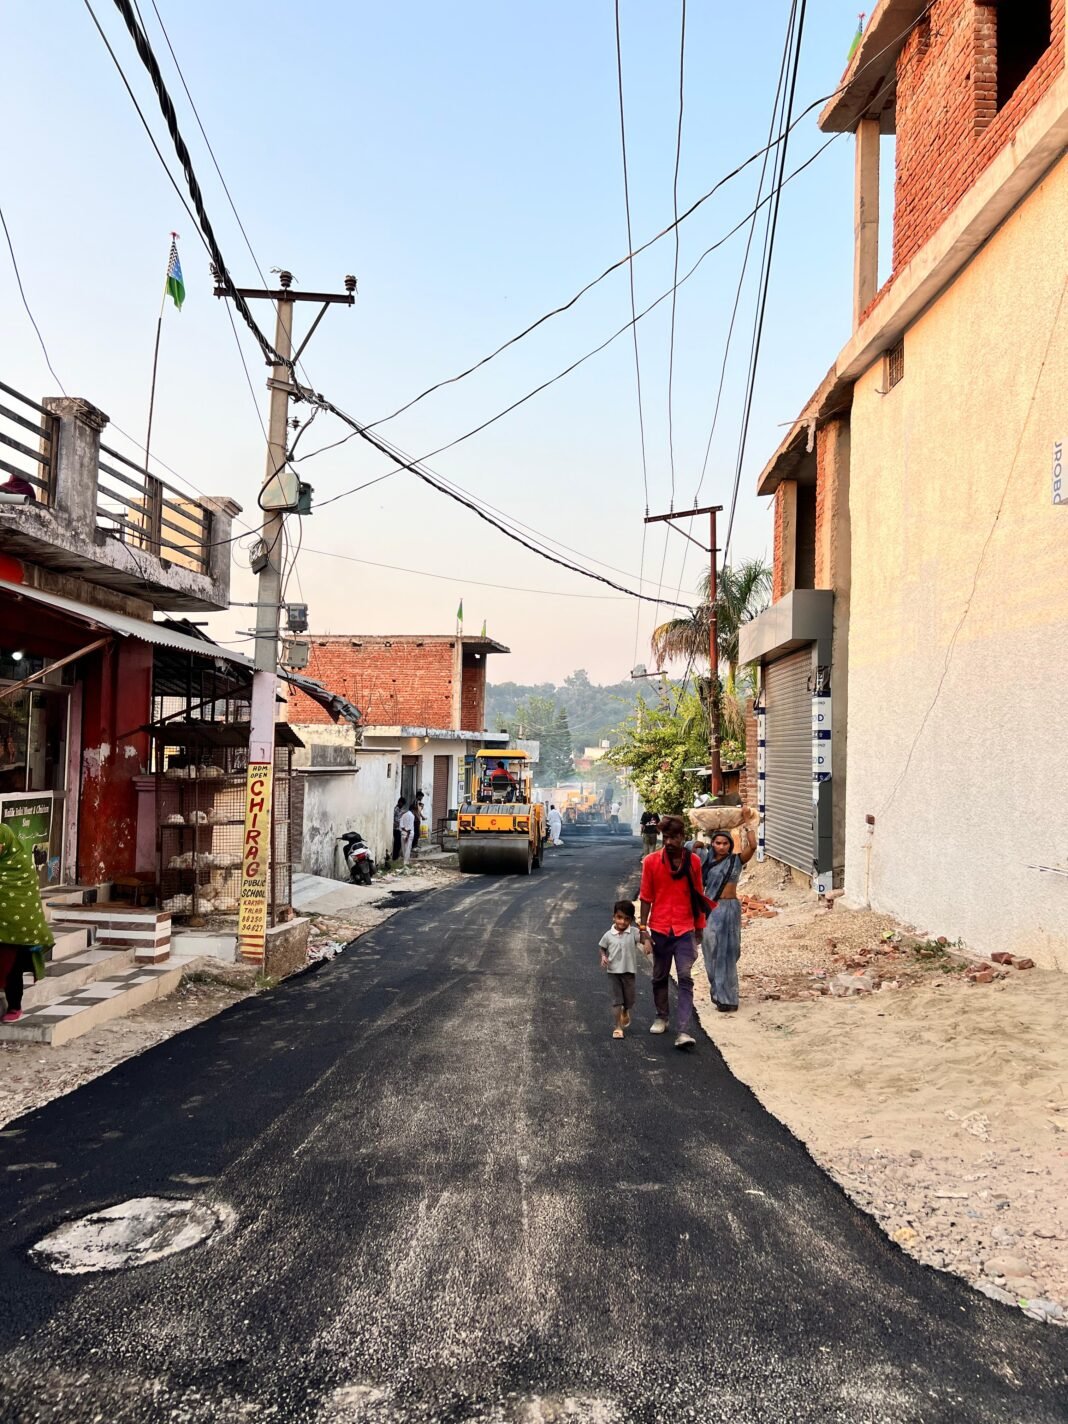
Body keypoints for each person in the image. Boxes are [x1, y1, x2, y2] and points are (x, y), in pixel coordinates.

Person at [638, 814, 714, 1050]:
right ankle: (662, 1016)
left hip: (685, 929)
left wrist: (699, 927)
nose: (669, 842)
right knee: (659, 976)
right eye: (666, 837)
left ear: (683, 837)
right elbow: (646, 897)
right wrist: (643, 929)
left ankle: (684, 1030)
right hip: (660, 929)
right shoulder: (651, 862)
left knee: (685, 977)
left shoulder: (694, 863)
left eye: (674, 837)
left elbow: (698, 895)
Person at [700, 813, 757, 1013]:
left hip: (731, 909)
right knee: (713, 950)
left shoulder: (736, 861)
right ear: (712, 844)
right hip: (713, 909)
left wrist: (748, 823)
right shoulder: (706, 863)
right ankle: (717, 992)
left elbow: (753, 846)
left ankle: (729, 997)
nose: (722, 846)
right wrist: (695, 845)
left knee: (731, 951)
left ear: (730, 845)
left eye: (725, 843)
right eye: (718, 843)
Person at [0, 823, 54, 1023]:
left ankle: (14, 1006)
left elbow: (27, 900)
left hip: (15, 932)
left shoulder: (22, 864)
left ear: (8, 843)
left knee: (11, 968)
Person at [598, 899, 650, 1039]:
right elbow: (602, 947)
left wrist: (647, 942)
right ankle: (617, 1027)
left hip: (629, 972)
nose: (622, 922)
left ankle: (626, 1010)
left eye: (627, 919)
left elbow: (643, 937)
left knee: (629, 1000)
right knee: (617, 1001)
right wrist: (603, 956)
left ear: (631, 920)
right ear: (614, 917)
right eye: (619, 917)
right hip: (613, 972)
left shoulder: (633, 932)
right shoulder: (608, 935)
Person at [399, 801, 415, 867]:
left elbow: (401, 825)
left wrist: (404, 831)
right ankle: (406, 862)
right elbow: (410, 828)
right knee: (408, 848)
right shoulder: (412, 816)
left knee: (403, 848)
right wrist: (407, 835)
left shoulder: (404, 815)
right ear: (413, 810)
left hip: (403, 833)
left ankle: (404, 861)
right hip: (409, 834)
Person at [392, 798, 407, 863]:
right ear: (399, 802)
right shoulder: (396, 809)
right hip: (396, 828)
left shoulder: (400, 809)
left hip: (399, 828)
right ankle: (395, 857)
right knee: (397, 843)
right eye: (402, 804)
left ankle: (396, 856)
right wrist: (396, 823)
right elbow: (393, 819)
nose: (402, 805)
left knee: (399, 843)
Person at [411, 792, 423, 859]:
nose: (422, 798)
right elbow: (415, 811)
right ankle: (413, 846)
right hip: (415, 820)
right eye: (421, 797)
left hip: (417, 819)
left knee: (417, 833)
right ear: (418, 796)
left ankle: (415, 845)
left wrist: (422, 817)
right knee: (416, 833)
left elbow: (419, 812)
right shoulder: (415, 802)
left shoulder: (418, 802)